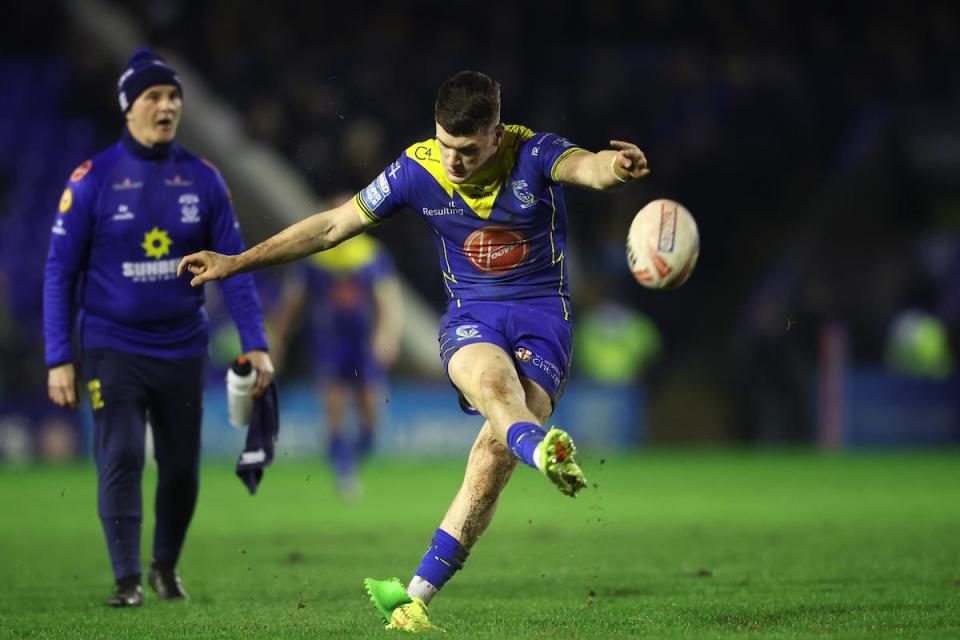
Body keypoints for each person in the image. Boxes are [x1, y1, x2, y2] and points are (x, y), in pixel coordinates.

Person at [178, 70, 648, 631]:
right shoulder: (416, 167)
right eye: (446, 145)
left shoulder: (532, 151)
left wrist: (615, 170)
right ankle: (545, 450)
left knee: (490, 460)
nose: (452, 162)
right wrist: (235, 262)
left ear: (496, 135)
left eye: (468, 150)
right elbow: (331, 227)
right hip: (472, 318)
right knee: (498, 393)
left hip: (544, 319)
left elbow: (586, 168)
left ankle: (416, 598)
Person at [43, 48, 275, 608]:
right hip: (110, 346)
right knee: (121, 453)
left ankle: (164, 568)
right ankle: (126, 581)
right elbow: (60, 270)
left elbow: (235, 268)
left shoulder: (204, 178)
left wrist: (257, 344)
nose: (167, 105)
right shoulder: (93, 179)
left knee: (180, 469)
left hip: (181, 346)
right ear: (129, 107)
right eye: (154, 96)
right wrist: (58, 356)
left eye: (173, 96)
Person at [271, 229, 402, 497]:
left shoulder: (371, 254)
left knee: (371, 417)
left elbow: (388, 301)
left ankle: (350, 462)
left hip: (363, 346)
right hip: (328, 344)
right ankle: (343, 471)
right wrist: (277, 340)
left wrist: (387, 337)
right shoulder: (314, 258)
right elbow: (293, 302)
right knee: (334, 412)